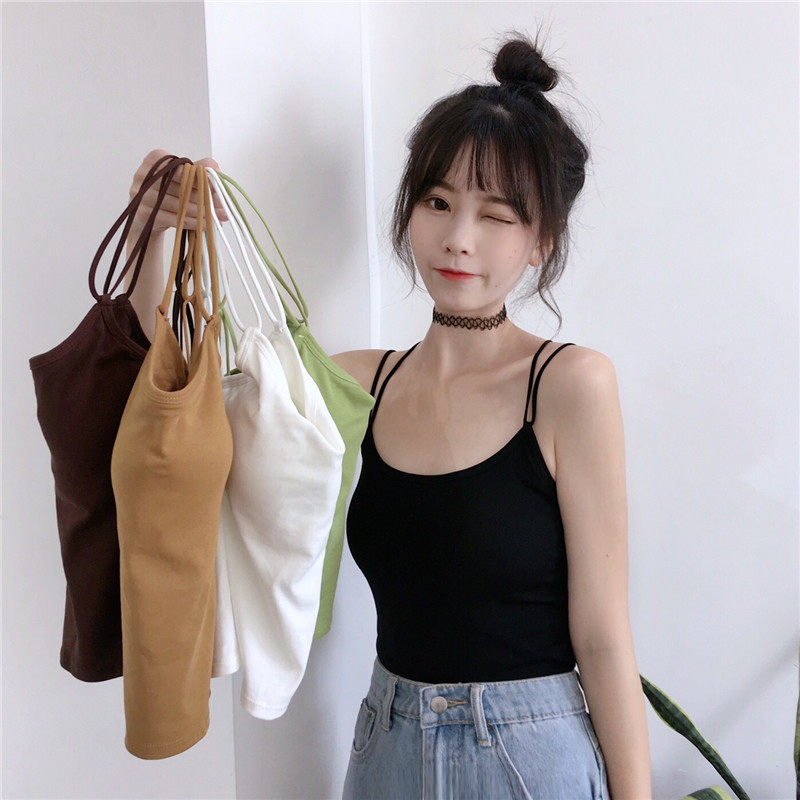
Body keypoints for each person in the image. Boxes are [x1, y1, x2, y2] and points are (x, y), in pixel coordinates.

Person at [124, 26, 651, 800]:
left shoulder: (570, 385)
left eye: (496, 215)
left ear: (542, 240)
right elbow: (183, 394)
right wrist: (157, 229)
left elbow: (603, 636)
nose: (458, 238)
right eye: (438, 202)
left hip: (528, 754)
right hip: (387, 744)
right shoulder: (359, 383)